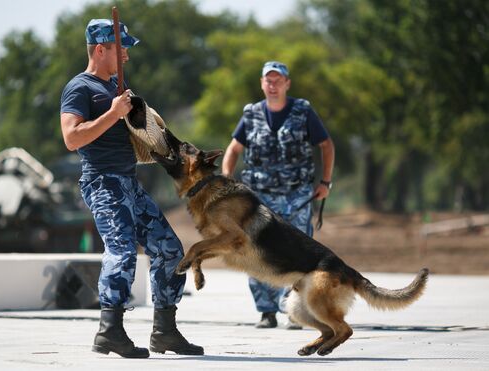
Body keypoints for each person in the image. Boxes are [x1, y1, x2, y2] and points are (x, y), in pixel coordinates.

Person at [60, 19, 203, 358]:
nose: (125, 55)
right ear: (100, 49)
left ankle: (164, 332)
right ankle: (109, 331)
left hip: (129, 183)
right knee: (122, 252)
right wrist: (112, 113)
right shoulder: (80, 88)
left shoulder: (118, 87)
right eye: (120, 48)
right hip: (103, 183)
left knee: (170, 249)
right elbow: (71, 138)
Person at [222, 61, 335, 329]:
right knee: (256, 251)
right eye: (268, 81)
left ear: (287, 84)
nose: (272, 86)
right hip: (259, 199)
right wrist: (228, 180)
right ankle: (266, 311)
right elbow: (234, 149)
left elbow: (326, 145)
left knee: (299, 253)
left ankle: (294, 309)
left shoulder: (302, 111)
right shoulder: (251, 114)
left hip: (297, 196)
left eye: (277, 81)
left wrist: (325, 182)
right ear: (262, 84)